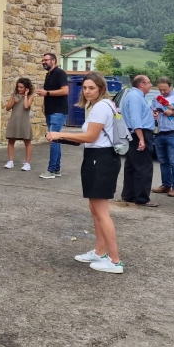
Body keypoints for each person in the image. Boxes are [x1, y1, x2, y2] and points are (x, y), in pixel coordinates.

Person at [47, 72, 124, 274]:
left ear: (101, 88)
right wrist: (61, 138)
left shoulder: (100, 107)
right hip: (99, 158)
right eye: (85, 87)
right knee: (95, 209)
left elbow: (90, 136)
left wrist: (59, 133)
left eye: (92, 88)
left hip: (101, 159)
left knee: (102, 212)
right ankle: (100, 252)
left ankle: (115, 261)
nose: (88, 91)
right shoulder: (105, 105)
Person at [120, 75, 158, 207]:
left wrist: (150, 115)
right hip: (139, 134)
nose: (151, 85)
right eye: (148, 83)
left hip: (133, 134)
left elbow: (138, 115)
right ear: (141, 84)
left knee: (131, 165)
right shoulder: (136, 97)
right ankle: (142, 198)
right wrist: (141, 138)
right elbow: (136, 120)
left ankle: (129, 195)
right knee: (144, 167)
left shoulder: (133, 96)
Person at [150, 77, 174, 198]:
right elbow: (151, 109)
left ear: (170, 86)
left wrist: (173, 112)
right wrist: (154, 112)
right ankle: (166, 185)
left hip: (173, 132)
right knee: (163, 161)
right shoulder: (157, 98)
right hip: (159, 132)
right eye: (160, 89)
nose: (162, 92)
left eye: (165, 90)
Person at [36, 53, 69, 179]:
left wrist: (47, 93)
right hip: (50, 111)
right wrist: (44, 104)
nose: (43, 62)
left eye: (46, 60)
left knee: (53, 139)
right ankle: (56, 169)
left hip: (58, 111)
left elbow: (65, 90)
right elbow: (46, 94)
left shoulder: (60, 73)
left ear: (53, 61)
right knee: (56, 139)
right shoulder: (48, 75)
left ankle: (50, 171)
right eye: (42, 60)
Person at [4, 77, 34, 171]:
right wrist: (13, 102)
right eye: (18, 87)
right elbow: (7, 108)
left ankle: (27, 163)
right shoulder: (14, 95)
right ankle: (10, 161)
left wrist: (25, 95)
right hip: (14, 120)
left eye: (21, 87)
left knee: (27, 142)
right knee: (11, 141)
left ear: (26, 88)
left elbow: (26, 106)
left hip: (24, 121)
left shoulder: (31, 96)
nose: (19, 89)